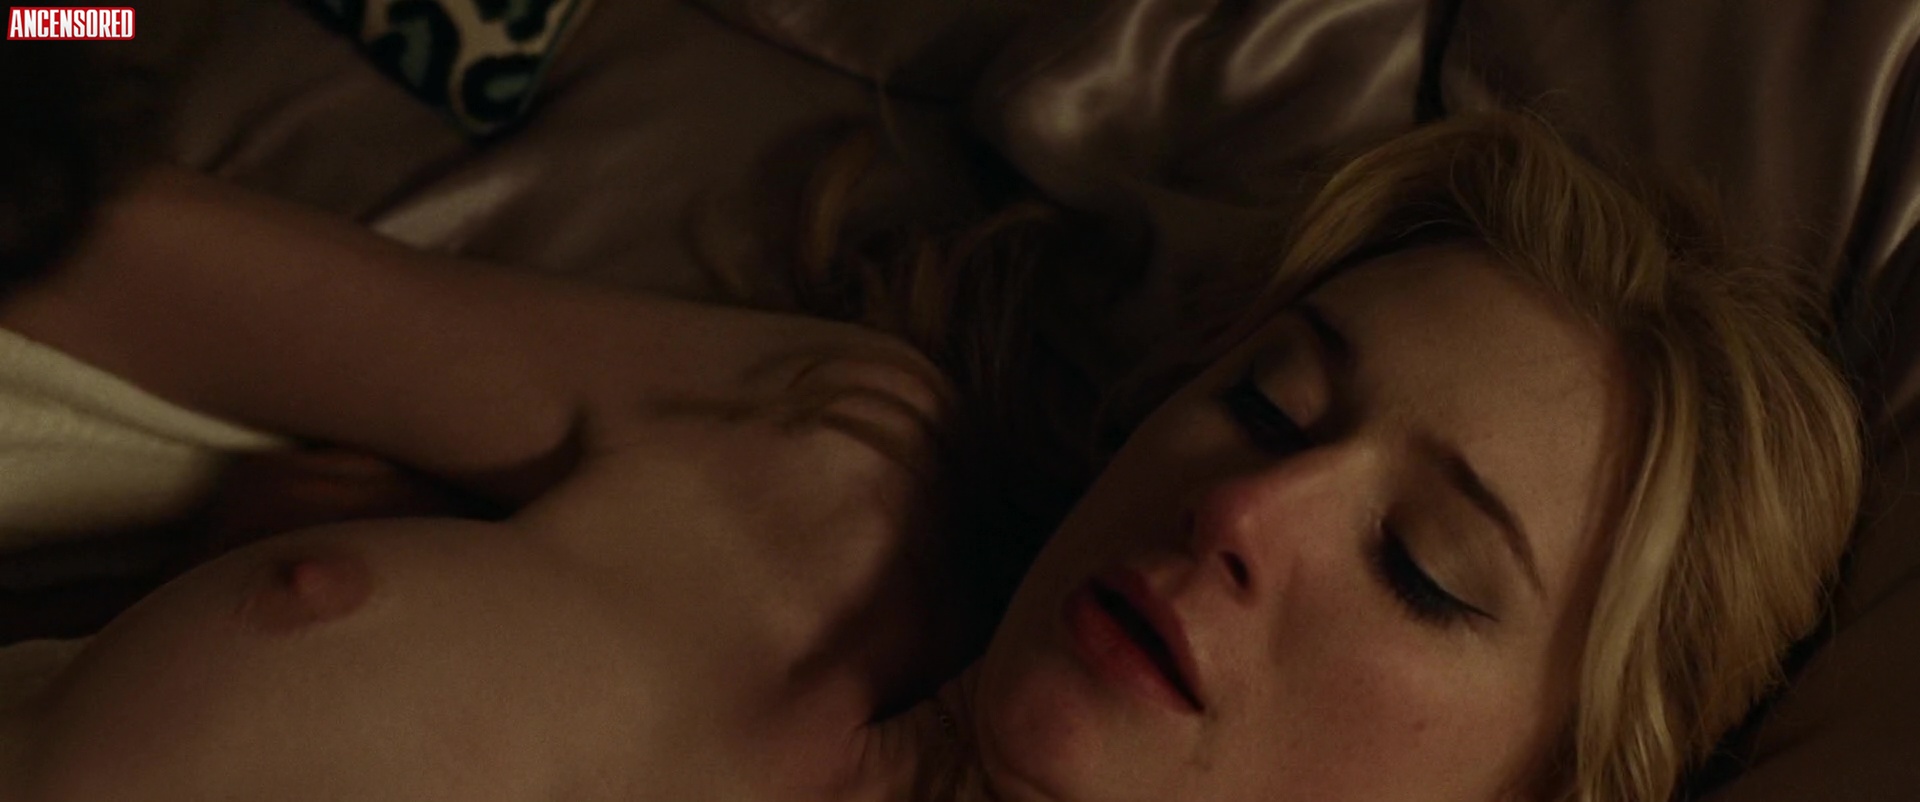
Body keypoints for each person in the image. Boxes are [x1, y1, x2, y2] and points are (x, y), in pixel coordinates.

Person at [0, 111, 1860, 802]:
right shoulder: (816, 459)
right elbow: (76, 216)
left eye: (1426, 568)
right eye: (1273, 405)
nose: (1245, 507)